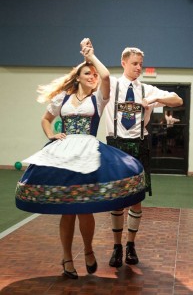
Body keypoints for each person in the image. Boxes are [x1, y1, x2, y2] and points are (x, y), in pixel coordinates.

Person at [15, 39, 146, 279]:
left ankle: (88, 251)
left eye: (94, 73)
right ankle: (66, 258)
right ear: (78, 77)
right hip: (63, 152)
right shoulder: (62, 99)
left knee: (85, 208)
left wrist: (91, 57)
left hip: (86, 152)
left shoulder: (98, 98)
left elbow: (106, 76)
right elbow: (45, 119)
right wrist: (52, 134)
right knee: (68, 211)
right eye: (88, 73)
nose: (93, 76)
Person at [104, 46, 183, 268]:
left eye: (141, 63)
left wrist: (154, 102)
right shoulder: (110, 85)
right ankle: (116, 246)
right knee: (117, 199)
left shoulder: (146, 89)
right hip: (116, 146)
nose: (139, 67)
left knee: (136, 200)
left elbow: (177, 100)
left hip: (140, 146)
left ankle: (130, 246)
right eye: (135, 63)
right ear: (123, 62)